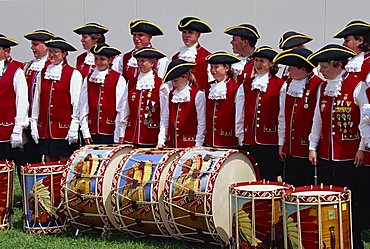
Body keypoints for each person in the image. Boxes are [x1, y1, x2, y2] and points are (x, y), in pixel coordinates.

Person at [307, 44, 365, 249]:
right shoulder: (322, 88)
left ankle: (352, 241)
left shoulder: (358, 86)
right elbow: (317, 120)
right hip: (326, 155)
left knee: (349, 203)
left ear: (338, 65)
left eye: (324, 66)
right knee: (328, 200)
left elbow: (365, 120)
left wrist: (362, 147)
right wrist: (313, 146)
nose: (321, 71)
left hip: (349, 156)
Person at [274, 48, 323, 186]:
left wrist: (313, 146)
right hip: (290, 149)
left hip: (307, 150)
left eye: (291, 67)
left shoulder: (318, 85)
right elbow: (282, 116)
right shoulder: (287, 85)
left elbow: (318, 119)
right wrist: (281, 143)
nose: (288, 71)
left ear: (302, 68)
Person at [235, 46, 284, 181]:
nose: (258, 64)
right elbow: (240, 113)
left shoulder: (280, 85)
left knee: (269, 178)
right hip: (250, 141)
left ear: (271, 64)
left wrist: (281, 142)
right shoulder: (246, 84)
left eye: (262, 61)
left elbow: (282, 116)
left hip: (269, 142)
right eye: (256, 60)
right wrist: (241, 135)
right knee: (250, 178)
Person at [30, 36, 82, 162]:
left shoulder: (73, 74)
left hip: (64, 129)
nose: (52, 55)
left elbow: (76, 104)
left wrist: (74, 126)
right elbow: (37, 99)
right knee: (49, 160)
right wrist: (34, 122)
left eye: (56, 52)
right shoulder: (43, 73)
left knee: (64, 160)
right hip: (45, 129)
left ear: (64, 54)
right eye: (50, 51)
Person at [117, 47, 169, 147]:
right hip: (131, 136)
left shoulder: (161, 85)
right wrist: (121, 133)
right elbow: (124, 110)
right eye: (138, 61)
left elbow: (164, 115)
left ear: (152, 63)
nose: (140, 64)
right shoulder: (131, 82)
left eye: (143, 61)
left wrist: (161, 139)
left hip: (150, 137)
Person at [79, 43, 126, 145]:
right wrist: (85, 132)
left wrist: (119, 134)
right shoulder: (89, 78)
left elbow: (121, 109)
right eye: (96, 59)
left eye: (102, 59)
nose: (98, 62)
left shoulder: (118, 79)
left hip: (110, 131)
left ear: (109, 60)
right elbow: (83, 106)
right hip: (92, 130)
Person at [22, 29, 56, 166]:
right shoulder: (29, 65)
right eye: (32, 45)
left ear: (46, 46)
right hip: (28, 119)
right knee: (27, 157)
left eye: (35, 44)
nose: (32, 48)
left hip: (44, 120)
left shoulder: (50, 67)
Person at [158, 59, 206, 148]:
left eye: (176, 81)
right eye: (172, 81)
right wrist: (161, 141)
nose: (173, 84)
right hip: (172, 145)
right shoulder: (170, 95)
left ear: (185, 77)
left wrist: (198, 144)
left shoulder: (198, 95)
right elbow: (165, 118)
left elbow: (202, 122)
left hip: (189, 145)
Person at [0, 34, 28, 161]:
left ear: (6, 51)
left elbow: (22, 101)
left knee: (6, 170)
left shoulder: (16, 71)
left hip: (7, 129)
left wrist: (18, 129)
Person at [205, 51, 240, 148]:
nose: (213, 70)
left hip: (228, 140)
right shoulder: (208, 87)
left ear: (226, 68)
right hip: (210, 140)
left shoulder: (236, 88)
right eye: (211, 67)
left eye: (216, 67)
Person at [172, 16, 212, 90]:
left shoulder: (207, 57)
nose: (186, 35)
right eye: (184, 32)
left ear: (198, 34)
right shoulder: (175, 57)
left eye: (190, 32)